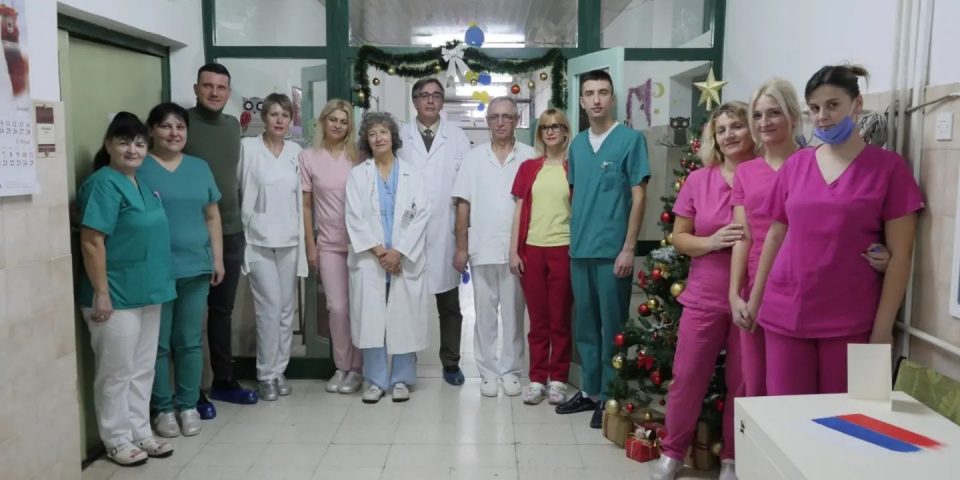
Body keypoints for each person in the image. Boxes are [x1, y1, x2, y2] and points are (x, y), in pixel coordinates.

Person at [745, 65, 922, 396]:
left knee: (845, 418)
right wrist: (756, 300)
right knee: (785, 416)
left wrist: (882, 330)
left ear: (856, 104)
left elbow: (902, 256)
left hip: (850, 318)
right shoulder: (797, 164)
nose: (822, 116)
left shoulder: (888, 169)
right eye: (814, 108)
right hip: (785, 311)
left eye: (832, 105)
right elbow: (776, 235)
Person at [650, 101, 754, 480]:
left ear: (752, 129)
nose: (729, 135)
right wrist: (711, 242)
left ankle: (732, 458)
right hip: (704, 296)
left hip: (751, 298)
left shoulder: (766, 175)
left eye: (736, 126)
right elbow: (679, 237)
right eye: (721, 129)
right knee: (688, 376)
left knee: (743, 383)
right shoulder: (699, 181)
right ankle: (673, 452)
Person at [77, 112, 176, 466]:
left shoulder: (141, 185)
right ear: (109, 145)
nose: (132, 149)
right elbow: (92, 242)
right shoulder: (103, 184)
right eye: (124, 142)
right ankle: (116, 439)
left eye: (139, 143)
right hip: (115, 295)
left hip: (149, 291)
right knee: (116, 371)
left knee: (143, 367)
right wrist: (101, 292)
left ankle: (139, 430)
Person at [555, 70, 650, 429]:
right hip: (580, 250)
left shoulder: (630, 140)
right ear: (581, 101)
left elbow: (639, 197)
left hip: (613, 252)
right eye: (590, 93)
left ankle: (611, 396)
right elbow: (577, 194)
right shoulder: (578, 145)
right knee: (585, 326)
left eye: (603, 92)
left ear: (612, 98)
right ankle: (590, 391)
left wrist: (628, 248)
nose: (596, 99)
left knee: (612, 327)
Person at [140, 103, 224, 438]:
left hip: (195, 267)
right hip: (155, 270)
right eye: (166, 126)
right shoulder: (140, 167)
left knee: (190, 340)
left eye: (180, 127)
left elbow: (212, 215)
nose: (174, 133)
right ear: (151, 130)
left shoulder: (199, 168)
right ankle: (162, 408)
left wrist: (217, 259)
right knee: (158, 344)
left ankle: (188, 404)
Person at [184, 63, 258, 411]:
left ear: (229, 92)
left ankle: (223, 381)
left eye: (221, 87)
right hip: (191, 233)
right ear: (196, 88)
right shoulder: (182, 124)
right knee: (190, 314)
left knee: (221, 310)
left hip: (230, 231)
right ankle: (191, 389)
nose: (214, 92)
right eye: (208, 86)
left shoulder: (231, 127)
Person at [453, 97, 537, 398]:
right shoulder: (473, 159)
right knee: (484, 316)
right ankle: (487, 372)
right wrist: (461, 248)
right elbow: (463, 205)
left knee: (514, 315)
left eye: (507, 117)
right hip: (482, 248)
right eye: (494, 117)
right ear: (487, 122)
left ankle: (511, 371)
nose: (500, 122)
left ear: (517, 120)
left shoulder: (530, 156)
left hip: (517, 251)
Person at [345, 112, 430, 404]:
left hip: (402, 258)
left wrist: (398, 252)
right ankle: (375, 380)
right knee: (373, 320)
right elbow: (354, 217)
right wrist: (381, 252)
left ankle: (402, 379)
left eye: (383, 132)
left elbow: (422, 215)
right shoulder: (358, 175)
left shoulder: (412, 174)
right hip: (372, 259)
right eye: (372, 134)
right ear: (366, 141)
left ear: (393, 136)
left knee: (403, 317)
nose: (379, 138)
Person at [397, 78, 472, 386]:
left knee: (449, 304)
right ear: (414, 100)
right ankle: (405, 361)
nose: (430, 100)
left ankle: (451, 362)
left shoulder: (457, 137)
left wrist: (462, 242)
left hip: (445, 230)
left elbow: (465, 190)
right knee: (407, 301)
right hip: (407, 232)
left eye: (436, 95)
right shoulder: (400, 135)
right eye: (424, 95)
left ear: (442, 101)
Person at [238, 93, 309, 401]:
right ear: (264, 117)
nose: (279, 120)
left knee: (286, 310)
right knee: (268, 308)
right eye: (274, 114)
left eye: (285, 115)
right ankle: (265, 374)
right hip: (258, 242)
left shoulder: (296, 152)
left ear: (291, 120)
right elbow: (238, 188)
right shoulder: (248, 148)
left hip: (290, 240)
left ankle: (280, 369)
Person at [509, 108, 574, 405]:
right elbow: (519, 210)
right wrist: (514, 251)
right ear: (540, 133)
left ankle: (558, 379)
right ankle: (537, 379)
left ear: (565, 131)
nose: (550, 131)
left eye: (556, 126)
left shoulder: (573, 167)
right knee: (538, 321)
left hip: (564, 249)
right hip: (532, 250)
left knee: (559, 319)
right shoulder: (528, 167)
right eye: (545, 127)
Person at [300, 99, 364, 394]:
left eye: (344, 121)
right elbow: (306, 205)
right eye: (333, 119)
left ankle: (359, 368)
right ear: (323, 121)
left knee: (360, 306)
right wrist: (310, 245)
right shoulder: (308, 157)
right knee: (336, 307)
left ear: (350, 126)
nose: (338, 125)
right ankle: (342, 366)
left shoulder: (359, 157)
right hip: (328, 244)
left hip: (361, 244)